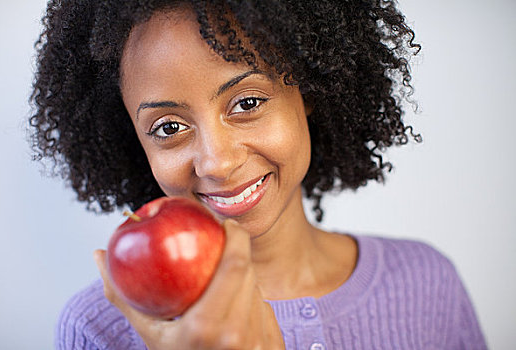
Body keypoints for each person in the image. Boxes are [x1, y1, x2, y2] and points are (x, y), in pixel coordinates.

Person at [30, 0, 487, 349]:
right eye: (169, 127)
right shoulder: (99, 330)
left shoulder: (427, 284)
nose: (217, 162)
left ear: (310, 88)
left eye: (247, 103)